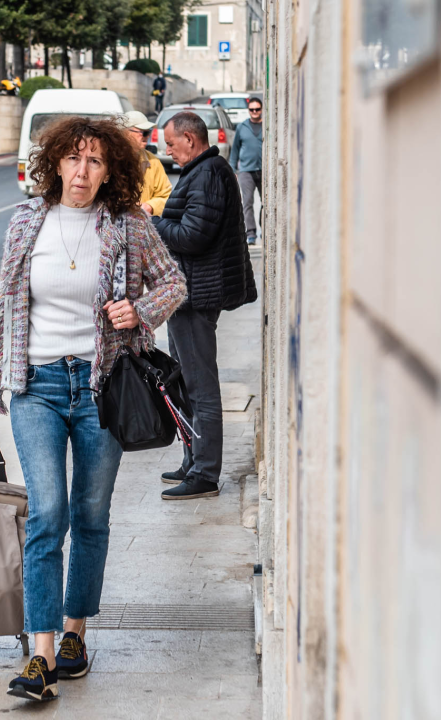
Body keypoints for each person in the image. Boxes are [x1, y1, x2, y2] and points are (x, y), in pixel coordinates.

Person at [0, 116, 187, 701]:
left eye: (95, 162)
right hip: (36, 386)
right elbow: (3, 311)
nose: (82, 172)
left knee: (89, 514)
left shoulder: (129, 225)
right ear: (55, 163)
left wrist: (139, 312)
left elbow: (174, 284)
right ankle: (39, 654)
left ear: (109, 170)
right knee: (47, 513)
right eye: (73, 159)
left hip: (100, 387)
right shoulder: (26, 223)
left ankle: (74, 635)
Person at [152, 111, 257, 501]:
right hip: (186, 294)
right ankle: (192, 459)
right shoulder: (202, 170)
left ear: (190, 139)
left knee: (200, 387)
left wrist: (154, 221)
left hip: (196, 296)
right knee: (184, 382)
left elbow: (192, 236)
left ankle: (206, 474)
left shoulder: (209, 173)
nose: (168, 150)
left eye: (171, 143)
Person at [122, 110, 172, 216]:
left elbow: (167, 196)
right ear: (125, 133)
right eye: (143, 132)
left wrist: (150, 206)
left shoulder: (153, 162)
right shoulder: (108, 160)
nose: (147, 136)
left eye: (148, 132)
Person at [230, 97, 264, 244]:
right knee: (247, 202)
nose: (255, 112)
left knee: (266, 202)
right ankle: (251, 233)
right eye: (252, 110)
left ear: (262, 110)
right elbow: (235, 150)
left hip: (264, 170)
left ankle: (266, 229)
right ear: (248, 111)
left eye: (257, 109)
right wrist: (233, 170)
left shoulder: (268, 126)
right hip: (246, 170)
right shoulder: (242, 127)